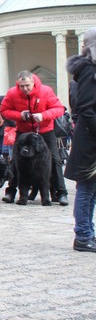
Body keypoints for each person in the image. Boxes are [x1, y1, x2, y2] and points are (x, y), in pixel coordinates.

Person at [0, 70, 68, 205]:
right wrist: (19, 115)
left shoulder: (46, 91)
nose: (25, 89)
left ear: (33, 82)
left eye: (27, 86)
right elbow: (4, 110)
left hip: (45, 130)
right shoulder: (12, 93)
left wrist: (43, 115)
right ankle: (11, 192)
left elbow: (59, 109)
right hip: (23, 131)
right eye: (22, 86)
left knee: (55, 160)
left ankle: (61, 193)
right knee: (16, 161)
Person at [65, 27, 96, 252]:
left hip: (90, 136)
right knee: (86, 188)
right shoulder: (88, 71)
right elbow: (86, 107)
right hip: (89, 139)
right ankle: (83, 235)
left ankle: (87, 232)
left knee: (92, 189)